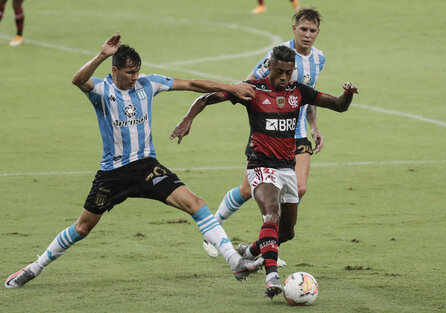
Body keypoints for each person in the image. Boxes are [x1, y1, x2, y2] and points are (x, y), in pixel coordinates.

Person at [4, 32, 264, 289]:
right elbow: (77, 79)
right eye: (129, 73)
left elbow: (192, 84)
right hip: (113, 174)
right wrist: (101, 55)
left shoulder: (148, 84)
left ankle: (234, 262)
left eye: (137, 72)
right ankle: (34, 268)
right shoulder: (101, 90)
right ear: (115, 70)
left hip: (147, 167)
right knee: (82, 228)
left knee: (196, 204)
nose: (135, 77)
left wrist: (230, 87)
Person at [170, 45, 358, 298]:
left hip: (287, 168)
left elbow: (338, 105)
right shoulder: (251, 90)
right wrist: (188, 118)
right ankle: (272, 278)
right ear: (269, 66)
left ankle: (250, 253)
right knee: (272, 213)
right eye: (279, 71)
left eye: (288, 72)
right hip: (260, 166)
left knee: (287, 232)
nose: (283, 77)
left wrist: (348, 93)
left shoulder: (298, 91)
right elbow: (206, 98)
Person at [202, 7, 326, 262]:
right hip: (268, 132)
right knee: (248, 191)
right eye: (303, 29)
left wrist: (314, 127)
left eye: (312, 31)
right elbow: (247, 85)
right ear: (294, 29)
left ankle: (264, 249)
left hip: (298, 133)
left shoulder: (319, 59)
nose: (307, 34)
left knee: (298, 189)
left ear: (317, 33)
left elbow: (308, 94)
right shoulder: (277, 56)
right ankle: (212, 228)